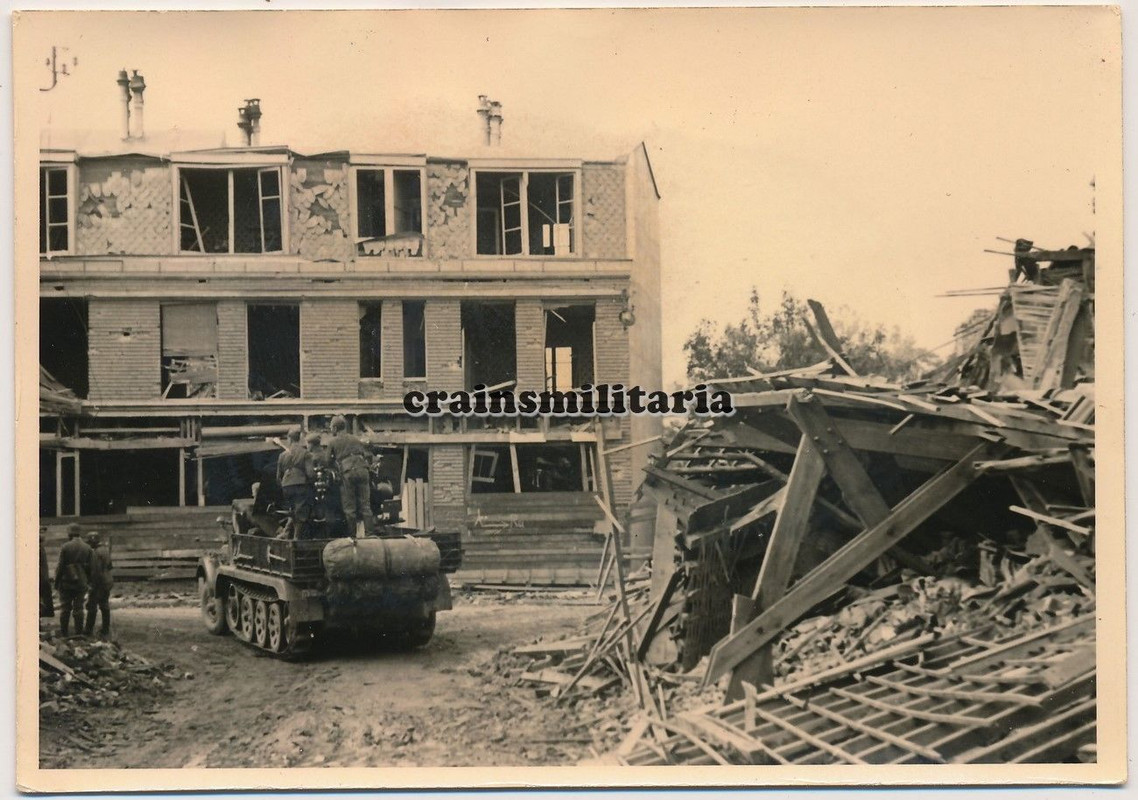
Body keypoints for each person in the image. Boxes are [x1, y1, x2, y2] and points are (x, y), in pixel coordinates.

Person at [329, 415, 376, 537]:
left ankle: (352, 537)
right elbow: (367, 454)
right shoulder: (356, 439)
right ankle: (370, 534)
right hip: (363, 470)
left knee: (350, 508)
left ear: (335, 428)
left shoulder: (333, 442)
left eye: (331, 427)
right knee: (365, 505)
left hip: (348, 472)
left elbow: (327, 461)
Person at [55, 523, 92, 636]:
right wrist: (88, 582)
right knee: (79, 608)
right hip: (81, 582)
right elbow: (90, 568)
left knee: (65, 608)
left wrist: (56, 582)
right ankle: (78, 634)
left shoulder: (65, 546)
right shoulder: (87, 547)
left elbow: (60, 566)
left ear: (70, 533)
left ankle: (64, 633)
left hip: (66, 582)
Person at [276, 425, 311, 538]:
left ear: (289, 439)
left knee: (292, 511)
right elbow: (311, 473)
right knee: (301, 512)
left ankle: (287, 533)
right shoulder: (305, 453)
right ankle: (297, 537)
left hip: (286, 486)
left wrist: (283, 485)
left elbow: (278, 476)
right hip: (300, 485)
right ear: (299, 438)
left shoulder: (282, 455)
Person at [84, 531, 113, 638]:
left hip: (99, 583)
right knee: (105, 605)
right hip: (107, 581)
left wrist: (92, 586)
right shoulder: (105, 550)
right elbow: (110, 566)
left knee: (92, 606)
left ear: (93, 541)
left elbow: (95, 572)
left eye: (89, 542)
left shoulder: (95, 553)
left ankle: (88, 631)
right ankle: (105, 629)